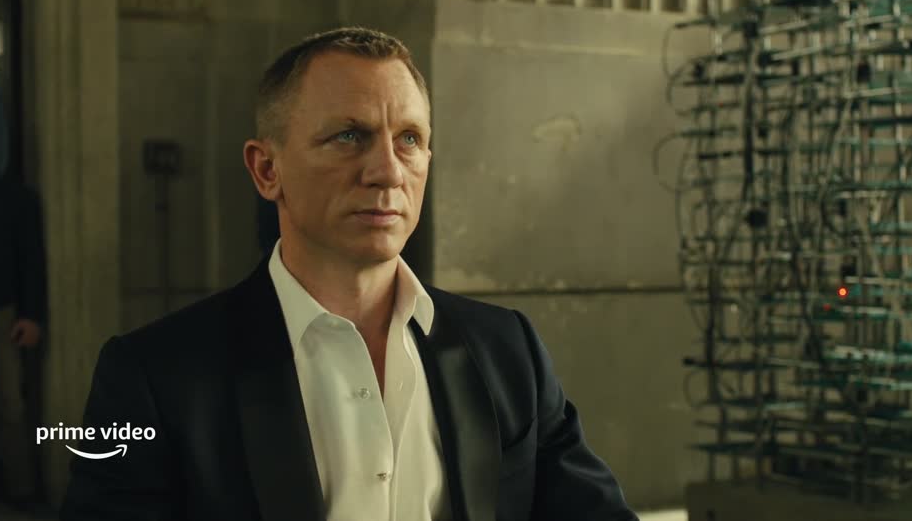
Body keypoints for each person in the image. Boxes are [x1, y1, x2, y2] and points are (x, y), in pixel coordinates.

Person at [60, 27, 637, 521]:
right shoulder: (153, 378)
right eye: (349, 136)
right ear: (267, 169)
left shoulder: (509, 350)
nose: (388, 170)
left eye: (409, 139)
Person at [0, 61, 47, 511]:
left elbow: (30, 257)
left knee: (9, 403)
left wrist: (31, 315)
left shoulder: (12, 196)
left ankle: (21, 489)